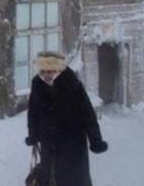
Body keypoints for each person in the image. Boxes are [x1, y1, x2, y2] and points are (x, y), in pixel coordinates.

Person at [25, 51, 108, 186]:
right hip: (48, 144)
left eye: (51, 71)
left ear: (58, 69)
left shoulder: (72, 84)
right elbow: (33, 113)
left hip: (72, 144)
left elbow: (88, 115)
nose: (47, 75)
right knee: (50, 179)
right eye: (43, 71)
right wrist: (33, 135)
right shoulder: (37, 84)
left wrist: (96, 141)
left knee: (72, 179)